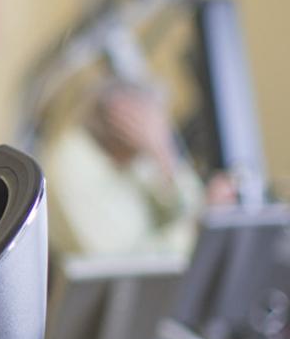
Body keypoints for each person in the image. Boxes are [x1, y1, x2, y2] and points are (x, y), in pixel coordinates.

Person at [42, 79, 228, 258]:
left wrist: (166, 158)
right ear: (121, 117)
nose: (156, 132)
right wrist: (198, 227)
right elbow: (127, 267)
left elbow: (188, 207)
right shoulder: (71, 169)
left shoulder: (133, 152)